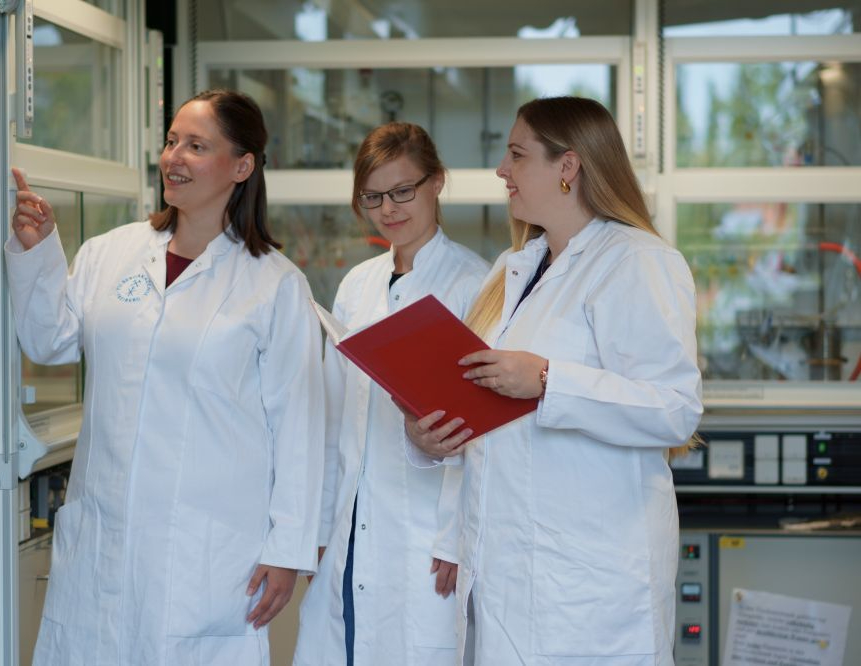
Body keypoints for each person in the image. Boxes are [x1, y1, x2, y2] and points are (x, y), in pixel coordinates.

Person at [5, 89, 325, 665]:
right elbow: (49, 340)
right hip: (105, 535)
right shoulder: (113, 254)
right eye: (172, 141)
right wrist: (37, 252)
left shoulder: (274, 285)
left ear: (242, 166)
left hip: (205, 549)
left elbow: (298, 426)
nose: (174, 157)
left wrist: (289, 547)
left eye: (197, 146)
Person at [404, 96, 703, 665]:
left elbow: (673, 409)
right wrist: (429, 435)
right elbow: (484, 419)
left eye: (517, 155)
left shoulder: (636, 261)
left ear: (568, 168)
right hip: (504, 572)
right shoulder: (510, 269)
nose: (501, 170)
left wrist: (547, 380)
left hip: (591, 582)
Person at [294, 122, 489, 666]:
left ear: (437, 183)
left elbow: (483, 432)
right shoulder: (357, 283)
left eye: (403, 190)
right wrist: (319, 526)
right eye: (373, 197)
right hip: (352, 528)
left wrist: (454, 538)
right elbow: (336, 415)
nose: (389, 209)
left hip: (423, 536)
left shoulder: (475, 284)